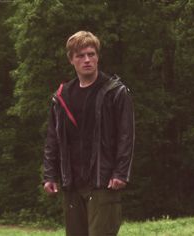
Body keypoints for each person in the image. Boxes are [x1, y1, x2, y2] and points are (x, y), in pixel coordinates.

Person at [43, 31, 135, 236]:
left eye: (91, 54)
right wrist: (50, 175)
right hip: (72, 183)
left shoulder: (115, 92)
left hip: (103, 182)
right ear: (71, 59)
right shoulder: (61, 96)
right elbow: (53, 138)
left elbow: (126, 136)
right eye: (81, 55)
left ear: (98, 57)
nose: (87, 60)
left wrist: (121, 172)